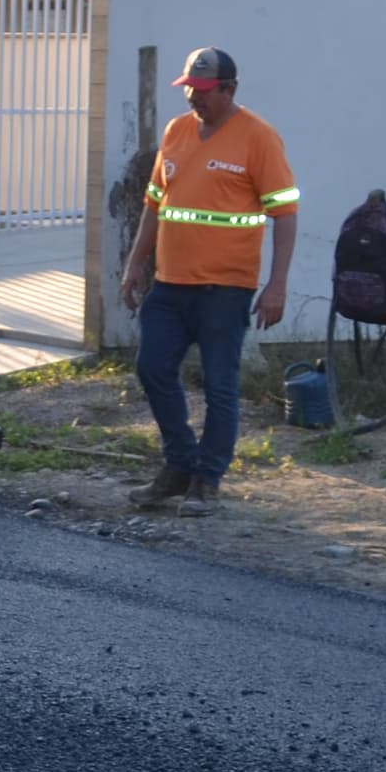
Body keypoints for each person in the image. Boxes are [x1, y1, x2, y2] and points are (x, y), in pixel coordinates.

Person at [117, 47, 299, 512]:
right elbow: (155, 204)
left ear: (229, 89)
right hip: (170, 284)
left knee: (220, 385)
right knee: (152, 368)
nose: (193, 98)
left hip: (226, 288)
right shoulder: (176, 131)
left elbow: (285, 213)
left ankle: (207, 479)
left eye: (202, 91)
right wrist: (135, 264)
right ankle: (179, 464)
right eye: (189, 90)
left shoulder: (259, 137)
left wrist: (276, 285)